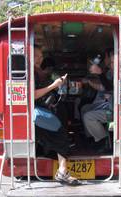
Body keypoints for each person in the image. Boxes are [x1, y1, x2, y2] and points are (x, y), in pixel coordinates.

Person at [33, 46, 79, 185]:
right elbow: (33, 95)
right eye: (38, 56)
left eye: (41, 57)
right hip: (35, 113)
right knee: (60, 133)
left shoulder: (34, 70)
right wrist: (54, 85)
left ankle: (62, 170)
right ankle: (62, 171)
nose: (40, 59)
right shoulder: (30, 72)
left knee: (60, 127)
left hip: (39, 111)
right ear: (29, 55)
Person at [81, 51, 114, 153]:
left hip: (114, 111)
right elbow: (104, 86)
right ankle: (92, 138)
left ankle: (103, 142)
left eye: (106, 57)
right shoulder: (109, 72)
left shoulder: (118, 71)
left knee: (88, 116)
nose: (104, 60)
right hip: (108, 105)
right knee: (84, 109)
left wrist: (100, 74)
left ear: (111, 57)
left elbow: (108, 87)